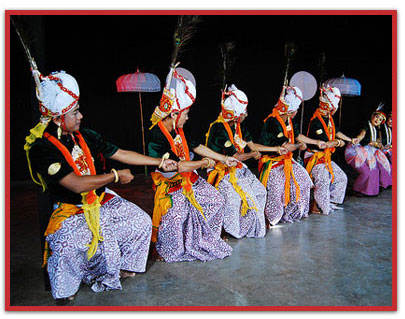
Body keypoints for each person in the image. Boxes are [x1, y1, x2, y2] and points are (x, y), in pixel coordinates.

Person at [25, 71, 177, 301]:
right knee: (70, 246)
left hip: (101, 199)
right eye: (75, 113)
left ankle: (124, 267)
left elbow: (121, 153)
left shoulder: (86, 135)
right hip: (71, 209)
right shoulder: (42, 148)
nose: (81, 116)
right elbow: (75, 184)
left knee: (140, 222)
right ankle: (67, 287)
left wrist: (160, 162)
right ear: (57, 118)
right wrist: (114, 176)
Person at [147, 67, 236, 262]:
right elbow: (179, 166)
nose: (187, 117)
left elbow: (197, 146)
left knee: (216, 200)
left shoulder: (180, 129)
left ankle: (206, 237)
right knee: (178, 212)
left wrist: (223, 159)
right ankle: (165, 248)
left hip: (190, 179)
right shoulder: (157, 135)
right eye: (185, 113)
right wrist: (203, 163)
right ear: (173, 114)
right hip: (170, 187)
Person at [205, 84, 286, 238]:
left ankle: (251, 227)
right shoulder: (218, 128)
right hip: (221, 172)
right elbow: (235, 156)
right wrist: (251, 155)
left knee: (260, 191)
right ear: (235, 114)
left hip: (238, 168)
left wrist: (275, 150)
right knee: (237, 198)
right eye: (244, 112)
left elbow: (252, 146)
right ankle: (231, 231)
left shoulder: (239, 127)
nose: (246, 115)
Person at [258, 85, 327, 226]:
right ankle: (272, 217)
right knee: (276, 186)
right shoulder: (273, 121)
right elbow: (286, 145)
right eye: (295, 111)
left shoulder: (289, 121)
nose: (296, 113)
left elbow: (298, 136)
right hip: (271, 162)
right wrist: (298, 146)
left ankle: (293, 212)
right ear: (290, 112)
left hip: (287, 160)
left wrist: (316, 142)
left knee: (304, 181)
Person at [305, 86, 358, 215]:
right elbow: (325, 144)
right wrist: (338, 143)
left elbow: (336, 132)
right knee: (323, 179)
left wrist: (350, 139)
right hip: (314, 158)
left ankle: (330, 202)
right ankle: (317, 206)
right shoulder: (316, 122)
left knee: (341, 177)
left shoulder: (328, 118)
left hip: (325, 158)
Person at [344, 103, 392, 196]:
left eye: (380, 120)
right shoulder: (366, 125)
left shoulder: (376, 130)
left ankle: (369, 191)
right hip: (358, 151)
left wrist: (378, 144)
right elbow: (362, 134)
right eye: (376, 117)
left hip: (369, 152)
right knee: (366, 171)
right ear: (372, 116)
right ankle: (357, 189)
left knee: (374, 170)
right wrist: (359, 138)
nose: (377, 120)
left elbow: (377, 142)